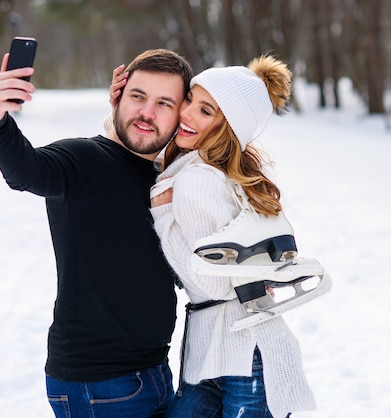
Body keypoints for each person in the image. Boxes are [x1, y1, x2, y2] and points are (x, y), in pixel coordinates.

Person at [0, 48, 194, 417]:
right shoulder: (83, 160)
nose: (146, 112)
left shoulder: (164, 182)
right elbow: (24, 170)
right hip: (99, 384)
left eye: (164, 103)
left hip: (152, 372)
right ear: (118, 97)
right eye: (138, 96)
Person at [111, 56, 316, 417]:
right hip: (219, 349)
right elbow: (139, 146)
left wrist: (162, 214)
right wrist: (119, 107)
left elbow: (218, 285)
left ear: (227, 127)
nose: (186, 114)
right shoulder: (202, 165)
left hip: (243, 352)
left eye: (205, 111)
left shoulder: (195, 179)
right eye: (189, 99)